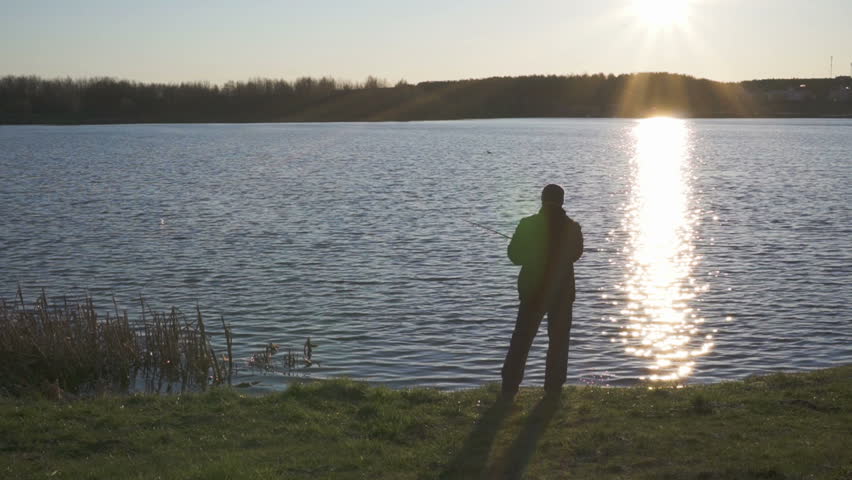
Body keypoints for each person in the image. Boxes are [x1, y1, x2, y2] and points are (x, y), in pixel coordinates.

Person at [501, 184, 583, 397]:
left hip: (532, 291)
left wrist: (533, 255)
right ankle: (553, 389)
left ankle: (509, 387)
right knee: (559, 340)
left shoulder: (527, 224)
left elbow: (514, 256)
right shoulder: (573, 227)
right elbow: (575, 255)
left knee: (522, 339)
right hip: (562, 293)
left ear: (541, 199)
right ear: (562, 201)